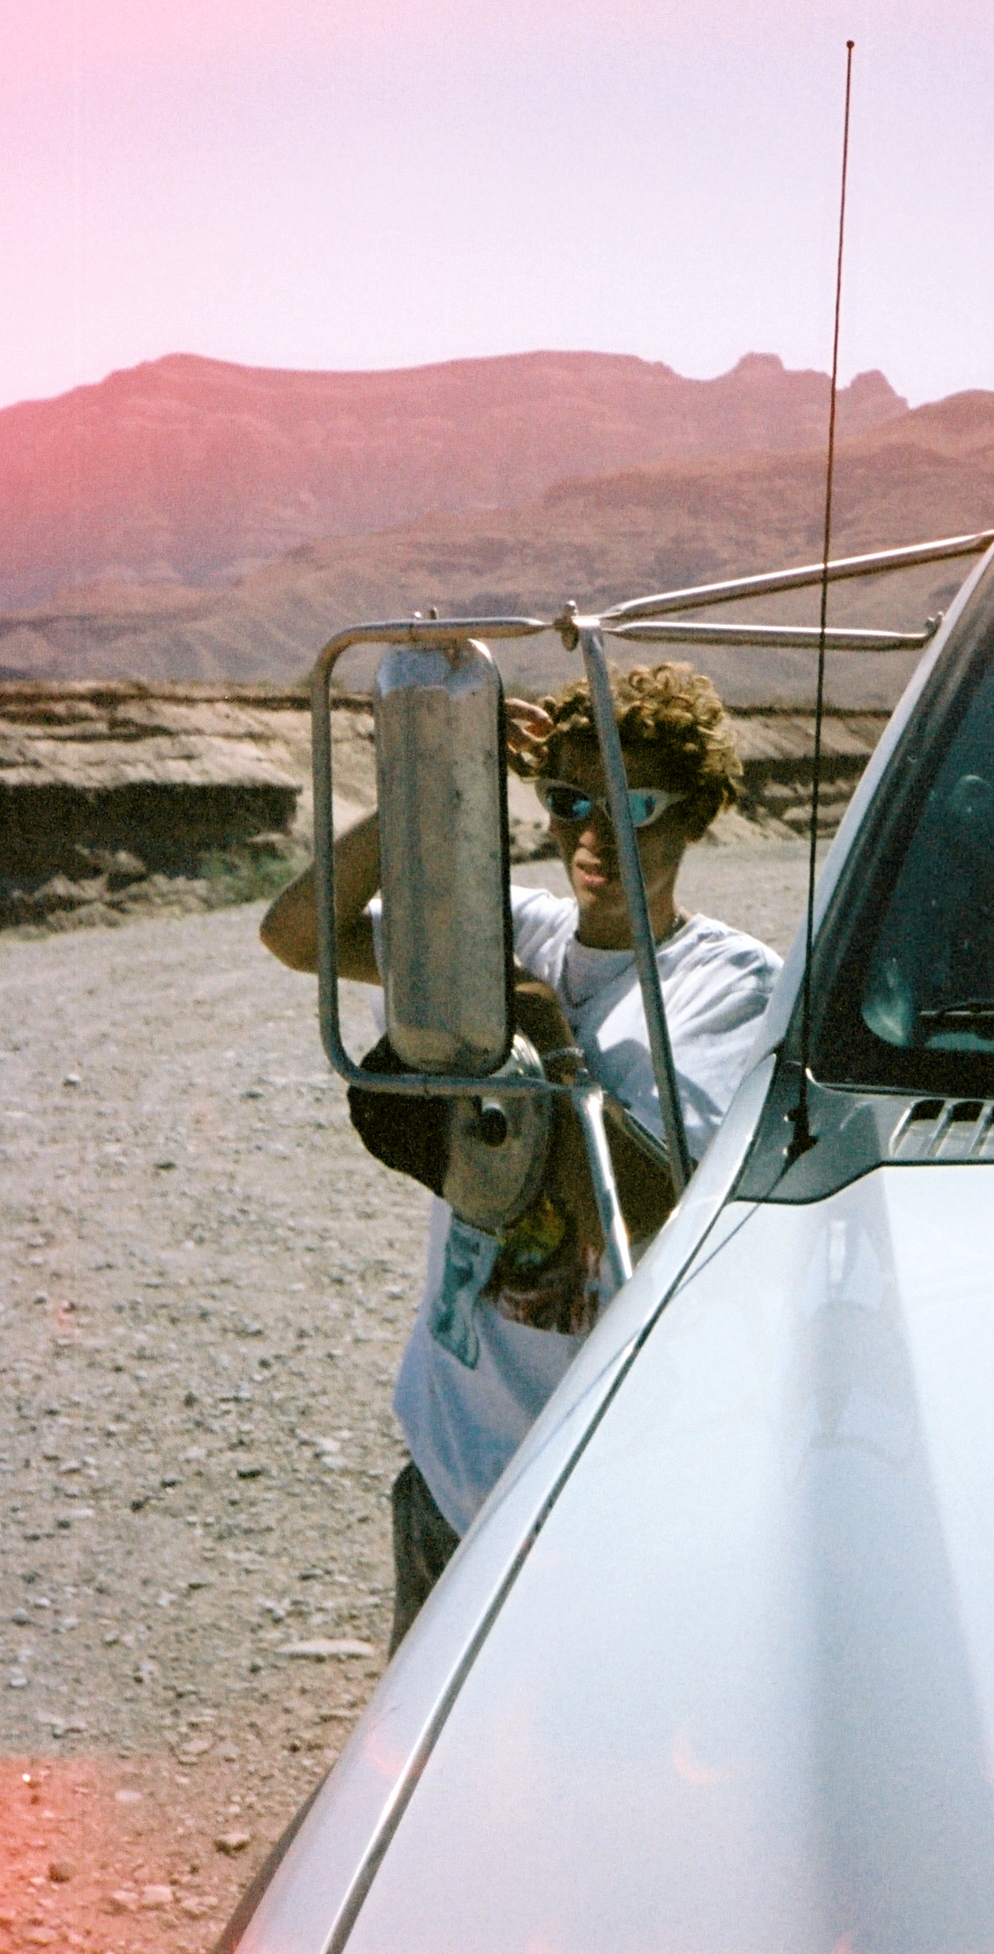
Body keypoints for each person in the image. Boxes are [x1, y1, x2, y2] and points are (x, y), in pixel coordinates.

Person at [260, 660, 782, 1650]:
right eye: (568, 801)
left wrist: (548, 1039)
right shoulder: (517, 928)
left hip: (583, 1501)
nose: (593, 835)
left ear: (696, 814)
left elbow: (650, 1209)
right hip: (449, 1472)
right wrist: (432, 787)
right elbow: (298, 936)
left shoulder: (728, 989)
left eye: (632, 805)